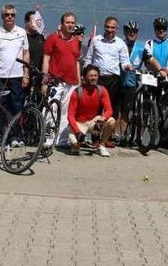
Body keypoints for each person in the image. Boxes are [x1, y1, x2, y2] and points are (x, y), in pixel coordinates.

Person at [43, 12, 82, 146]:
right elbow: (46, 59)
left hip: (71, 82)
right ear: (62, 23)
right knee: (51, 108)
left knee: (66, 112)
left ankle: (61, 139)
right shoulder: (53, 38)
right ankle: (48, 138)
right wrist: (45, 78)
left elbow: (77, 62)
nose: (70, 25)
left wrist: (79, 81)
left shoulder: (76, 41)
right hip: (55, 81)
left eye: (72, 23)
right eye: (68, 22)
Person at [84, 16, 131, 129]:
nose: (110, 30)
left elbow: (124, 61)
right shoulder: (96, 40)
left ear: (117, 28)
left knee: (113, 108)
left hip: (113, 80)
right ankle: (95, 137)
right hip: (98, 79)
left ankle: (108, 137)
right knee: (96, 107)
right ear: (104, 27)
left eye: (113, 27)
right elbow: (88, 58)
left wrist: (127, 67)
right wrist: (85, 73)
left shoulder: (120, 43)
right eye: (108, 27)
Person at [0, 5, 30, 119]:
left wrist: (26, 75)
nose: (10, 17)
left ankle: (14, 135)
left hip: (17, 77)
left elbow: (26, 53)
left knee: (16, 106)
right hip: (0, 77)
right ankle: (0, 135)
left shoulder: (22, 32)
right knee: (0, 107)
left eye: (12, 15)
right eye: (7, 14)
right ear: (2, 16)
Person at [66, 65, 115, 156]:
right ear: (84, 78)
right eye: (90, 76)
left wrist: (101, 120)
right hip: (79, 123)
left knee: (112, 121)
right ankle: (76, 144)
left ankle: (101, 145)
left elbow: (109, 110)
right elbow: (70, 116)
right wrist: (77, 132)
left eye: (95, 75)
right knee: (75, 149)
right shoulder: (77, 92)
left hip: (93, 121)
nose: (93, 78)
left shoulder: (102, 90)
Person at [118, 21, 145, 143]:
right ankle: (117, 135)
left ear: (137, 33)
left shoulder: (142, 47)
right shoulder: (119, 44)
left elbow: (150, 60)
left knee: (128, 109)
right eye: (129, 31)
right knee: (118, 109)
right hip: (118, 79)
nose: (131, 33)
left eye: (134, 32)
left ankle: (131, 136)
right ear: (124, 32)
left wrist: (160, 69)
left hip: (133, 81)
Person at [25, 9, 45, 90]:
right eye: (32, 21)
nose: (35, 23)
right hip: (25, 75)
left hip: (39, 75)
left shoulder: (41, 37)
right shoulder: (22, 37)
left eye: (36, 21)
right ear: (26, 22)